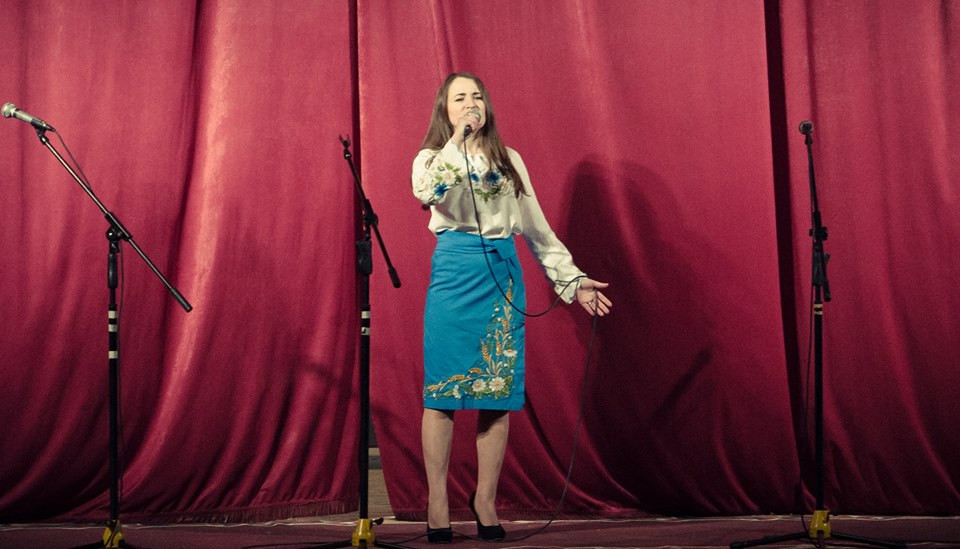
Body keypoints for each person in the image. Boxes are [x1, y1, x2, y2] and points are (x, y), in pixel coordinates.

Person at [411, 72, 612, 543]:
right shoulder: (431, 157)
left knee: (496, 393)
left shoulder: (509, 160)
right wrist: (457, 142)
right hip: (454, 275)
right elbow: (427, 191)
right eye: (459, 98)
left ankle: (484, 499)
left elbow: (537, 229)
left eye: (477, 96)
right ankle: (437, 501)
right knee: (441, 393)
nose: (471, 104)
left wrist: (573, 280)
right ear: (445, 110)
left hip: (501, 276)